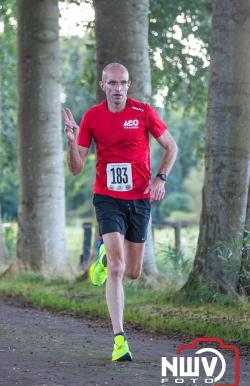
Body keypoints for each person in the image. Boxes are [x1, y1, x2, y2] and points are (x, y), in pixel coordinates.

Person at [62, 63, 177, 362]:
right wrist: (72, 142)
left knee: (133, 272)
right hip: (107, 198)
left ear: (129, 85)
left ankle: (102, 252)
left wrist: (160, 178)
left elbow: (171, 147)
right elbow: (76, 169)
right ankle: (119, 340)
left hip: (139, 199)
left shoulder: (143, 112)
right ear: (103, 85)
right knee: (116, 268)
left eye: (122, 83)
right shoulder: (92, 117)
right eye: (111, 83)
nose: (117, 88)